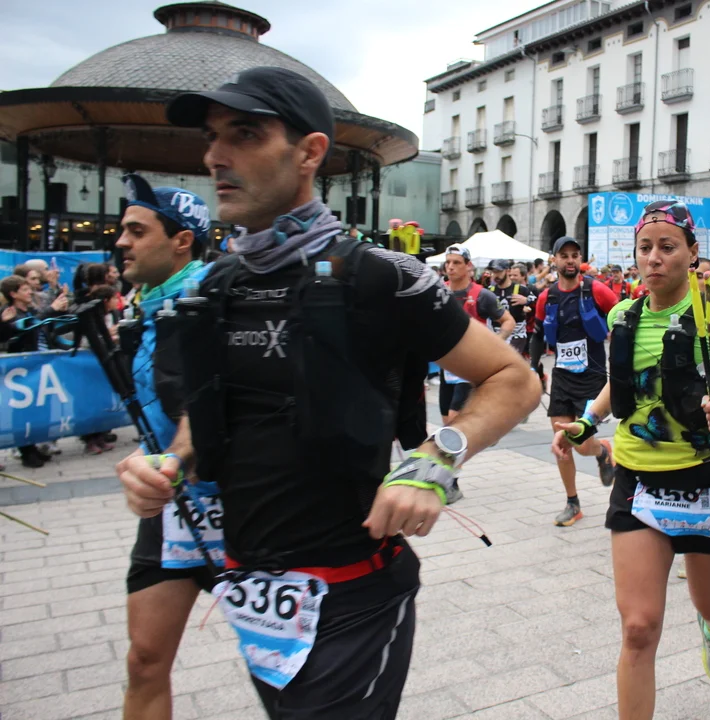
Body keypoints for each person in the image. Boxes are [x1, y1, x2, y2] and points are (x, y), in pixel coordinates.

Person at [118, 65, 539, 718]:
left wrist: (433, 462)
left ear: (310, 152)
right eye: (213, 137)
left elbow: (515, 379)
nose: (216, 156)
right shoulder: (218, 284)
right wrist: (168, 464)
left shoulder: (379, 276)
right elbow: (209, 412)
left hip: (354, 599)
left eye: (245, 134)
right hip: (252, 593)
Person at [552, 200, 710, 717]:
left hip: (706, 478)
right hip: (638, 481)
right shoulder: (623, 315)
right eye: (645, 248)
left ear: (692, 252)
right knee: (638, 628)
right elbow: (622, 385)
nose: (654, 258)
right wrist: (587, 422)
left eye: (667, 247)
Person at [110, 173, 225, 720]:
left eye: (137, 230)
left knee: (287, 677)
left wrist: (175, 457)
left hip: (244, 511)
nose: (121, 242)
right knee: (144, 661)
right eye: (123, 230)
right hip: (172, 508)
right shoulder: (145, 307)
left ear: (182, 240)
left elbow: (212, 402)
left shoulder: (217, 299)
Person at [535, 236, 618, 526]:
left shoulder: (596, 290)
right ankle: (572, 503)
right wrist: (534, 367)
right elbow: (538, 333)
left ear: (580, 259)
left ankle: (602, 450)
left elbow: (622, 319)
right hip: (562, 377)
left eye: (575, 255)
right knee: (561, 444)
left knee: (581, 444)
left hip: (592, 378)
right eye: (564, 255)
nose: (570, 260)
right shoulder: (547, 297)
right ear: (554, 260)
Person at [441, 246, 515, 428]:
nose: (450, 267)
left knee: (455, 421)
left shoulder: (482, 295)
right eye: (448, 262)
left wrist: (496, 342)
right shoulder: (439, 292)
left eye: (456, 262)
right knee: (447, 423)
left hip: (470, 368)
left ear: (468, 266)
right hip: (447, 367)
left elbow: (508, 321)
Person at [1, 274, 68, 467]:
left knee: (38, 409)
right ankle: (26, 452)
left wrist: (58, 309)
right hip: (22, 368)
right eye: (24, 289)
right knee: (22, 413)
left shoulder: (30, 310)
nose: (29, 292)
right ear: (13, 294)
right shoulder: (9, 312)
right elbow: (22, 329)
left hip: (39, 365)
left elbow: (44, 325)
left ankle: (35, 446)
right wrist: (4, 324)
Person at [488, 257, 535, 357]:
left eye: (498, 271)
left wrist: (526, 301)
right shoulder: (489, 291)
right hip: (496, 333)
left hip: (516, 334)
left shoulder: (520, 289)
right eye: (493, 272)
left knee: (508, 358)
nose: (495, 275)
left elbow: (539, 302)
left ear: (507, 271)